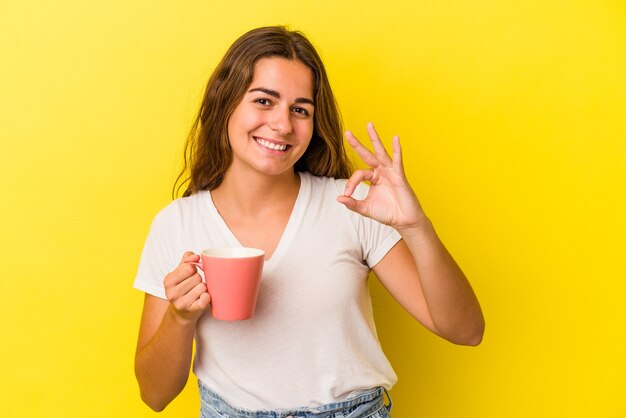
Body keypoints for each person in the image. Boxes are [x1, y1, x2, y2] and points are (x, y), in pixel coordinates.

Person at [134, 26, 484, 417]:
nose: (283, 125)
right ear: (225, 103)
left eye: (300, 109)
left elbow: (466, 331)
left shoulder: (350, 207)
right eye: (265, 101)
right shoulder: (176, 225)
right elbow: (154, 395)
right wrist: (180, 318)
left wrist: (416, 227)